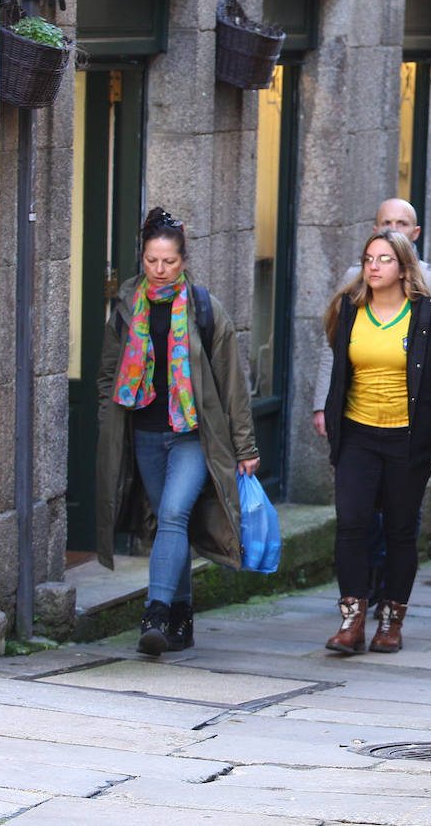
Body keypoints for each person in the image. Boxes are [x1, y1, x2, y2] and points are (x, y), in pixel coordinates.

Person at [96, 207, 261, 656]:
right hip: (145, 433)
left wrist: (245, 445)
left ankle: (155, 612)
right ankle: (182, 621)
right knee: (174, 525)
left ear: (183, 260)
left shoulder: (206, 308)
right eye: (151, 261)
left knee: (171, 514)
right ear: (142, 259)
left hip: (192, 434)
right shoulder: (126, 307)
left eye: (168, 261)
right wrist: (106, 426)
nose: (160, 269)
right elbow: (109, 376)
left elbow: (232, 382)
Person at [311, 199, 431, 614]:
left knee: (400, 528)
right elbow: (333, 356)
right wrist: (323, 408)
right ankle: (352, 615)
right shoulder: (348, 306)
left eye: (384, 260)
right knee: (352, 523)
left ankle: (391, 615)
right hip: (357, 431)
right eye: (368, 259)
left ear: (404, 265)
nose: (374, 267)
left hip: (408, 435)